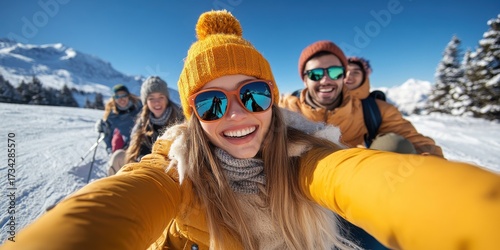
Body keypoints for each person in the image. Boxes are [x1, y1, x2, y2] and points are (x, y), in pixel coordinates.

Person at [3, 10, 499, 250]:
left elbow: (358, 175)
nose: (237, 113)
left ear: (273, 98)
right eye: (212, 102)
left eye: (255, 94)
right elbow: (129, 197)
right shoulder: (178, 165)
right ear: (191, 114)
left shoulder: (304, 147)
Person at [280, 40, 444, 157]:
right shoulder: (285, 108)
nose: (325, 80)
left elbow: (417, 142)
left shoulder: (374, 109)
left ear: (343, 76)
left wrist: (437, 170)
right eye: (315, 74)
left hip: (356, 184)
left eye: (334, 72)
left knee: (394, 145)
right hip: (302, 190)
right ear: (304, 79)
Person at [109, 76, 183, 175]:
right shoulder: (143, 121)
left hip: (171, 169)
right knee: (118, 156)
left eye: (161, 97)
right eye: (151, 98)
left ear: (167, 99)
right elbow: (135, 147)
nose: (156, 102)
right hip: (145, 165)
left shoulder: (181, 119)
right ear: (146, 102)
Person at [95, 84, 142, 154]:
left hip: (140, 145)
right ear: (114, 98)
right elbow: (108, 137)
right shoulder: (111, 116)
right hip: (123, 149)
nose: (121, 99)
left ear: (128, 96)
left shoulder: (139, 108)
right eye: (117, 96)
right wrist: (102, 128)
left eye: (124, 95)